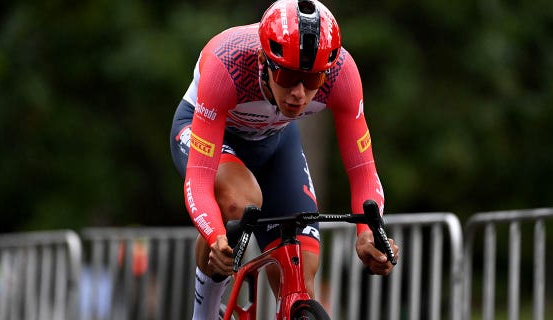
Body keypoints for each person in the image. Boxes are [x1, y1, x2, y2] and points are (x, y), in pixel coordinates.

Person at [169, 0, 399, 318]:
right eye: (289, 77)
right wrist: (214, 235)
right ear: (264, 59)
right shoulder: (227, 62)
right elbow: (199, 178)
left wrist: (368, 233)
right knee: (240, 203)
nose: (299, 94)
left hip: (275, 143)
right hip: (208, 134)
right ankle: (204, 314)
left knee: (302, 266)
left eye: (313, 81)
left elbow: (363, 170)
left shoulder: (342, 74)